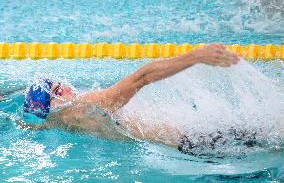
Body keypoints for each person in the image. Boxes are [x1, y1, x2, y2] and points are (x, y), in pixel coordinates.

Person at [21, 43, 240, 153]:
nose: (68, 89)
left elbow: (30, 123)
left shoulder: (54, 122)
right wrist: (196, 56)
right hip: (198, 143)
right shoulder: (82, 107)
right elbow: (142, 77)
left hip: (190, 144)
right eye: (58, 92)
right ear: (51, 105)